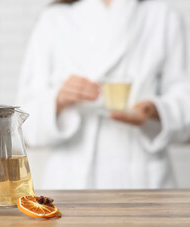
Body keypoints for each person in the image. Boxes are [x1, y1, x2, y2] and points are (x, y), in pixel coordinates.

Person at [17, 0, 190, 189]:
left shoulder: (163, 18)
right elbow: (25, 124)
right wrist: (58, 101)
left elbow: (184, 101)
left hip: (143, 181)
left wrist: (156, 110)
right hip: (72, 182)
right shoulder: (53, 20)